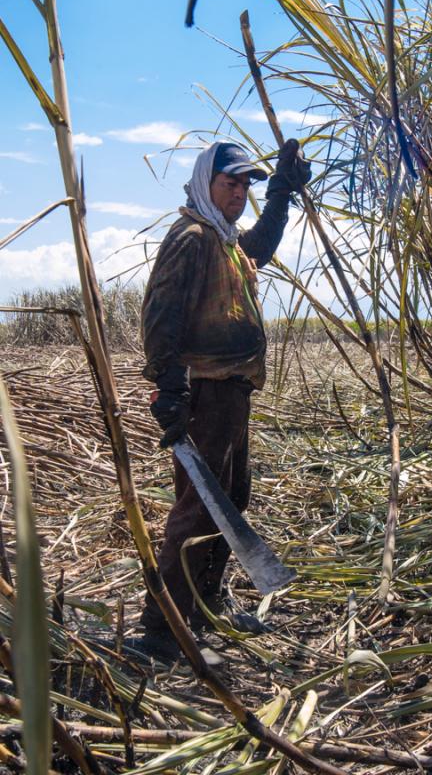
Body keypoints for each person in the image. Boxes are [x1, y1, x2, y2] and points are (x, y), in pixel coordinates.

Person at [139, 138, 310, 659]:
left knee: (231, 500)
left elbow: (259, 247)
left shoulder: (224, 238)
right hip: (205, 391)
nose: (239, 192)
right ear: (205, 183)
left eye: (245, 184)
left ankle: (205, 608)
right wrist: (169, 388)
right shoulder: (191, 237)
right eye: (229, 182)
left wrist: (280, 192)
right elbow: (160, 314)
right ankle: (162, 632)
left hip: (234, 389)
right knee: (199, 508)